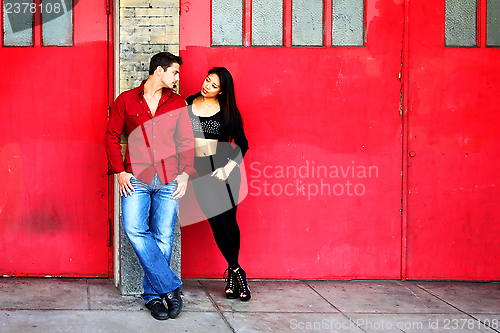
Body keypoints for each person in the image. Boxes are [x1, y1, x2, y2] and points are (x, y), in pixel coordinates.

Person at [105, 52, 196, 320]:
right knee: (133, 227)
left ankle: (153, 295)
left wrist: (186, 174)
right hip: (137, 177)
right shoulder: (126, 100)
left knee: (163, 235)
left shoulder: (178, 102)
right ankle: (171, 287)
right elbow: (111, 135)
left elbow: (187, 140)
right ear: (159, 71)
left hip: (169, 178)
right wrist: (119, 171)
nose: (177, 78)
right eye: (175, 72)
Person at [186, 67, 251, 301]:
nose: (207, 86)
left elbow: (243, 144)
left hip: (227, 171)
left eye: (214, 85)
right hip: (201, 172)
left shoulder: (228, 112)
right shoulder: (187, 104)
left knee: (230, 222)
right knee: (217, 223)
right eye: (207, 81)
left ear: (222, 91)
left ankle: (233, 277)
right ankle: (237, 270)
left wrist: (228, 168)